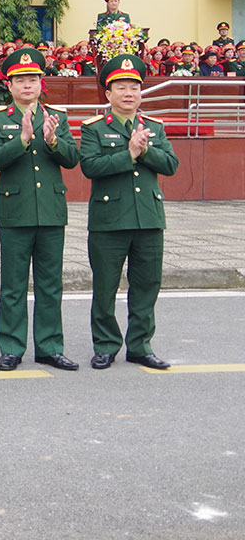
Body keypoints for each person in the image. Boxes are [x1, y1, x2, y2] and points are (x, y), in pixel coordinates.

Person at [0, 48, 80, 372]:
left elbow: (71, 159)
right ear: (9, 85)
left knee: (51, 283)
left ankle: (50, 346)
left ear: (41, 83)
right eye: (21, 80)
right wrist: (22, 138)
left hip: (51, 210)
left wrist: (52, 140)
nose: (28, 85)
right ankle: (11, 346)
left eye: (33, 79)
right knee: (13, 283)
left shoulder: (57, 117)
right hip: (15, 210)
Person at [80, 54, 179, 370]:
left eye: (134, 88)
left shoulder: (154, 127)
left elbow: (171, 165)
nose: (128, 93)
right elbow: (90, 166)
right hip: (109, 222)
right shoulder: (94, 128)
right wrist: (130, 153)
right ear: (108, 94)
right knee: (105, 287)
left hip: (148, 218)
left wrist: (146, 149)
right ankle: (106, 345)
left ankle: (139, 345)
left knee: (147, 285)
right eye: (121, 87)